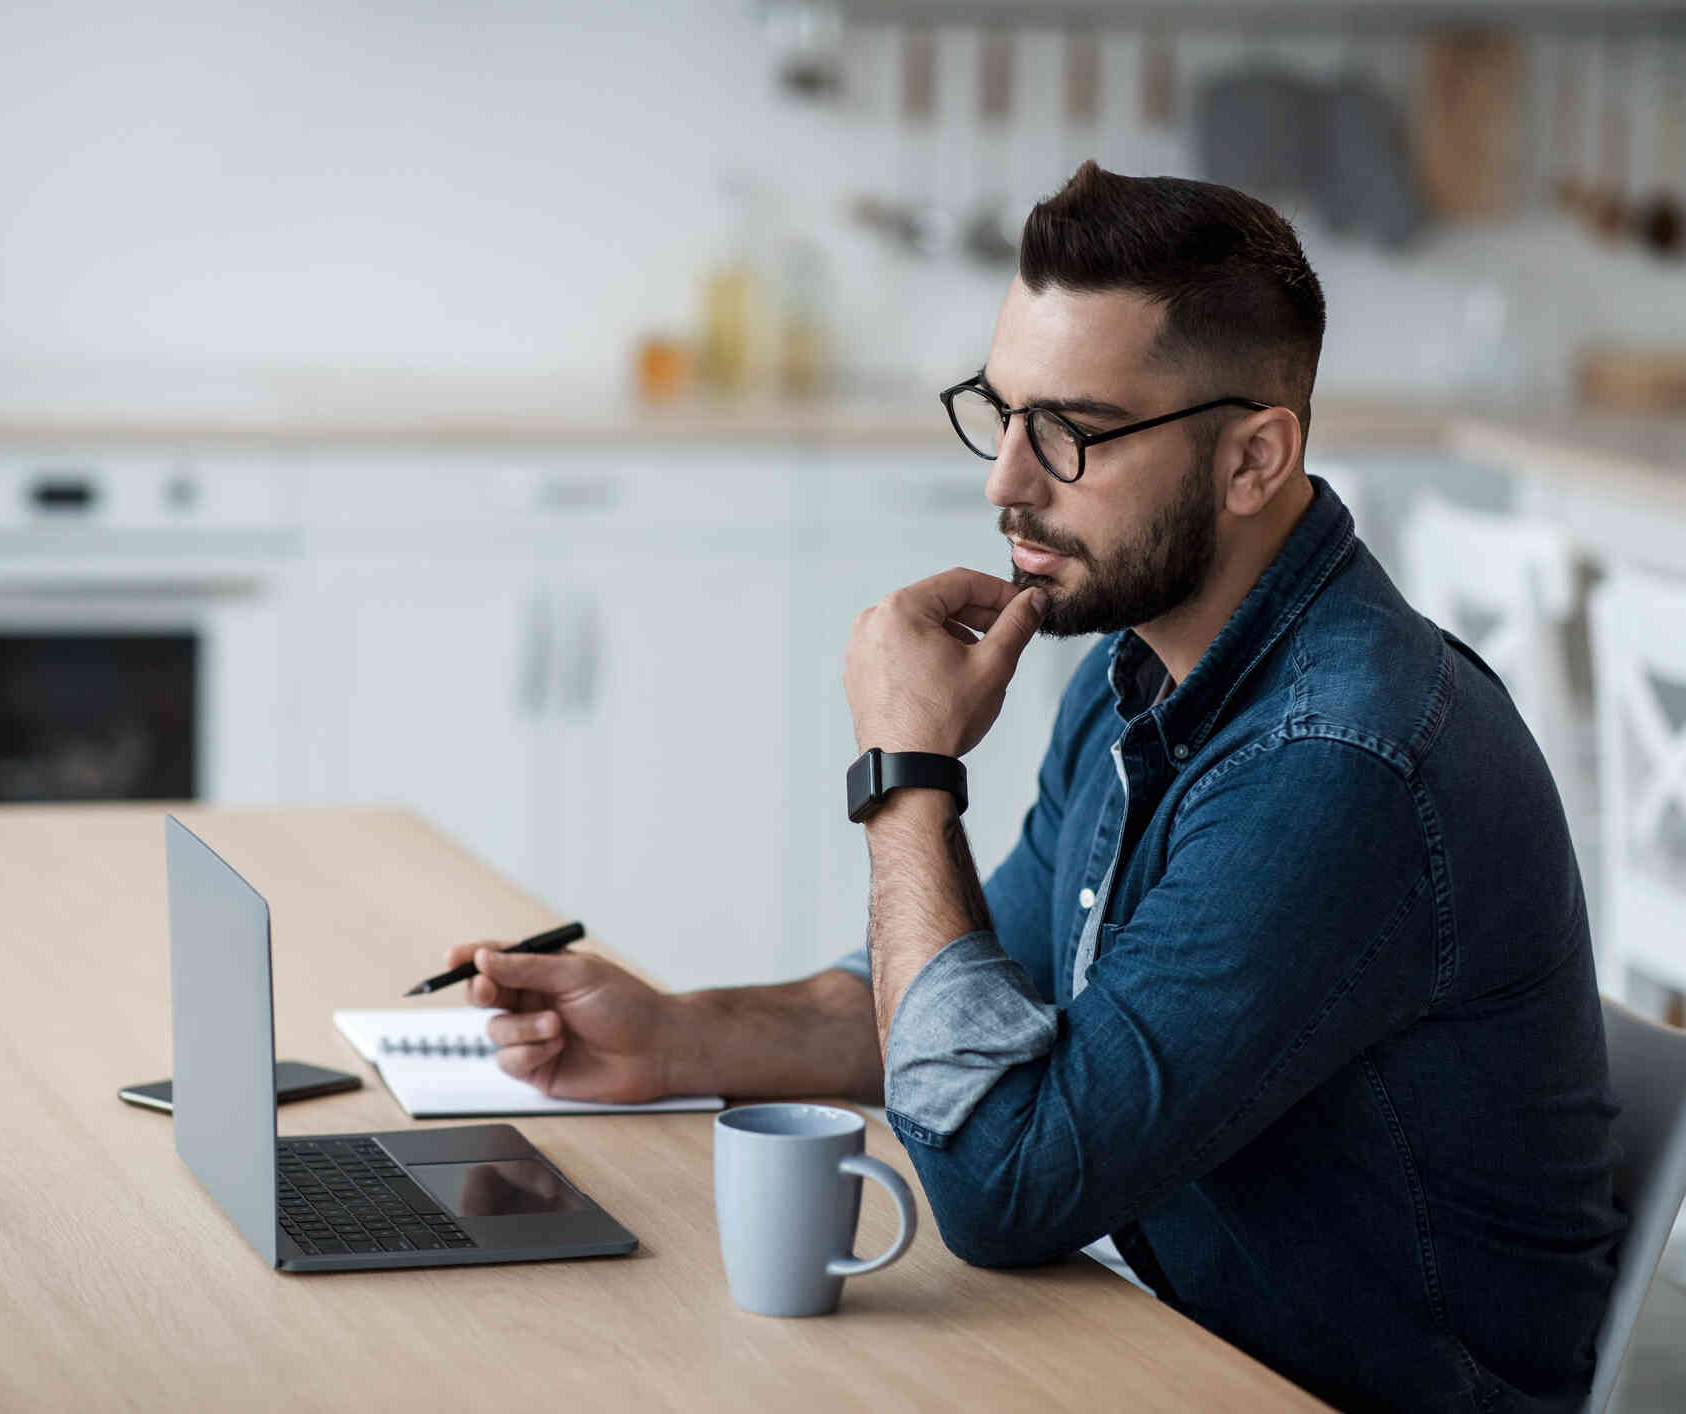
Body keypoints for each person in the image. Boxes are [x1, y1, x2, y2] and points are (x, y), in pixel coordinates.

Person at [443, 164, 1624, 1413]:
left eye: (1071, 432)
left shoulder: (1337, 764)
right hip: (1168, 1336)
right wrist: (680, 1037)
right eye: (998, 412)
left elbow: (995, 1181)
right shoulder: (1141, 668)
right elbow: (974, 1016)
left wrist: (907, 778)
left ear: (1253, 458)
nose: (1007, 482)